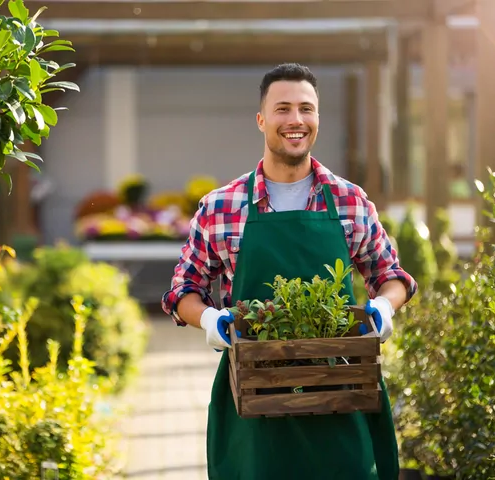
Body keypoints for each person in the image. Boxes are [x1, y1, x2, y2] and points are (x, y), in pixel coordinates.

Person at [161, 63, 418, 480]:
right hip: (254, 402)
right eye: (282, 109)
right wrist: (207, 317)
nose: (295, 120)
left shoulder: (349, 200)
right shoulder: (221, 207)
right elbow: (182, 290)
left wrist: (384, 307)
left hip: (342, 394)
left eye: (306, 109)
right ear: (261, 120)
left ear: (317, 119)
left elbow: (392, 275)